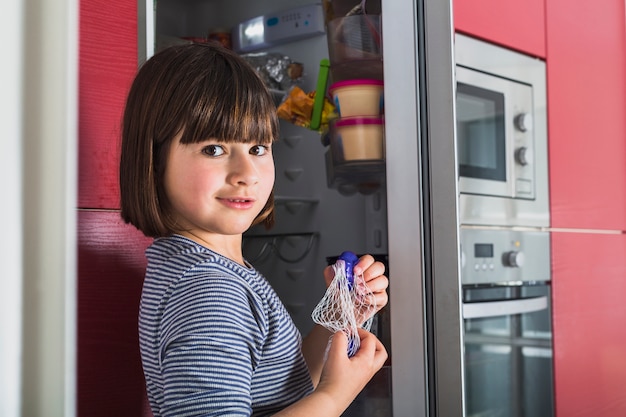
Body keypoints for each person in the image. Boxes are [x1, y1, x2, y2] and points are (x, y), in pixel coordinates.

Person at [119, 42, 389, 417]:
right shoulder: (208, 289)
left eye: (259, 148)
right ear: (154, 159)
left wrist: (340, 317)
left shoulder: (210, 269)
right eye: (213, 149)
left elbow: (281, 387)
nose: (246, 174)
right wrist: (335, 395)